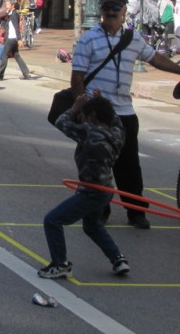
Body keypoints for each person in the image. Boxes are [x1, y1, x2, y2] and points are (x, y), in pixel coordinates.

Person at [71, 0, 180, 229]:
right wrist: (81, 108)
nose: (110, 12)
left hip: (125, 112)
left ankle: (136, 212)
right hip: (96, 114)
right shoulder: (88, 40)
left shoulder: (133, 39)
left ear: (124, 11)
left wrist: (178, 69)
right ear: (100, 10)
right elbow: (77, 76)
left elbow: (155, 59)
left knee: (129, 165)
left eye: (115, 8)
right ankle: (100, 210)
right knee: (96, 165)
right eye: (106, 7)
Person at [38, 94, 130, 280]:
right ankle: (118, 258)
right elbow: (116, 119)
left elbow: (61, 122)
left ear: (93, 116)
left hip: (91, 191)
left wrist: (75, 107)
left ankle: (60, 264)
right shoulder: (117, 133)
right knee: (92, 226)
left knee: (52, 220)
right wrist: (100, 101)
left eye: (85, 115)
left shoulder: (90, 131)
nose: (82, 118)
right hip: (105, 189)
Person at [0, 0, 32, 81]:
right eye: (6, 4)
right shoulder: (10, 14)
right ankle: (26, 73)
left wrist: (19, 39)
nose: (6, 6)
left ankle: (0, 75)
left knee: (4, 55)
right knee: (16, 55)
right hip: (12, 38)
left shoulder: (14, 14)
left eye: (8, 4)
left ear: (12, 5)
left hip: (12, 38)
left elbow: (16, 28)